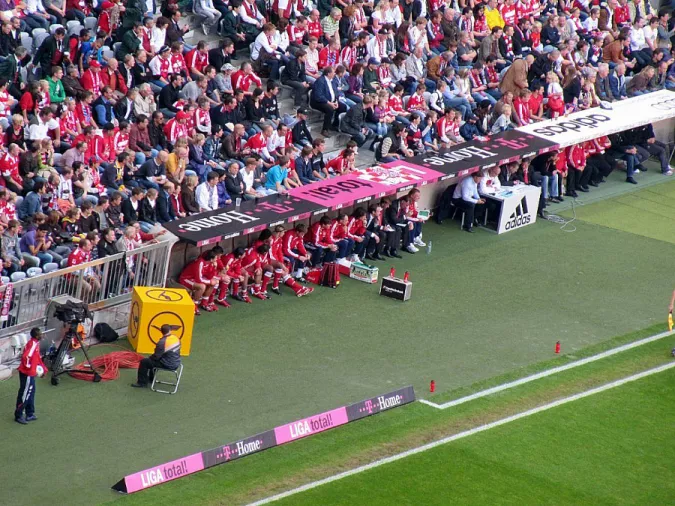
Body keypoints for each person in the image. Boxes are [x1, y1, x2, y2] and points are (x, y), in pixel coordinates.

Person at [131, 324, 181, 388]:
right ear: (170, 330)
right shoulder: (175, 338)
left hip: (168, 364)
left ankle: (142, 383)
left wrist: (150, 358)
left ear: (161, 331)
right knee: (152, 361)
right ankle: (151, 379)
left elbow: (156, 357)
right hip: (176, 362)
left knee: (144, 362)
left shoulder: (162, 342)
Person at [14, 327, 47, 424]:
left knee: (31, 392)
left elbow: (37, 358)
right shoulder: (33, 344)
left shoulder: (35, 343)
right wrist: (29, 367)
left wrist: (42, 368)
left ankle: (30, 413)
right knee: (25, 394)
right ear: (37, 336)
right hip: (27, 374)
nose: (42, 335)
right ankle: (18, 415)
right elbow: (26, 357)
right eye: (40, 334)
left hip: (30, 373)